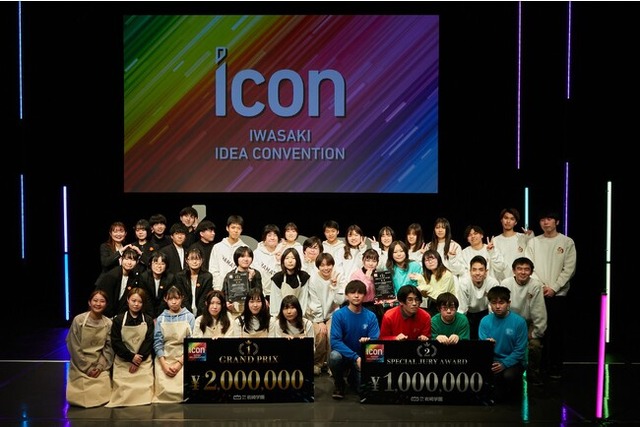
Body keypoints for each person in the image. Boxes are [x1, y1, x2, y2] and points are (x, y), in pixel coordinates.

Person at [525, 210, 576, 379]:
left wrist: (554, 288)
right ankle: (539, 368)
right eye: (542, 219)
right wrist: (541, 287)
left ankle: (555, 367)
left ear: (557, 222)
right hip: (538, 294)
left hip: (558, 295)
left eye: (549, 219)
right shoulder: (533, 242)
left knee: (556, 332)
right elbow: (529, 267)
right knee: (539, 332)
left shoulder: (566, 242)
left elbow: (569, 269)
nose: (545, 222)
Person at [329, 279, 380, 400]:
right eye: (352, 293)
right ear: (347, 295)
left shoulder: (371, 316)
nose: (356, 296)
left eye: (360, 293)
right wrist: (355, 357)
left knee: (365, 391)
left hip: (363, 358)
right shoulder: (338, 315)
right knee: (334, 356)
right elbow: (335, 341)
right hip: (345, 356)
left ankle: (353, 377)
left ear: (365, 295)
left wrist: (369, 342)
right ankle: (339, 383)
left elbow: (375, 340)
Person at [501, 257, 547, 385]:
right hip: (510, 322)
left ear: (531, 272)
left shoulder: (536, 285)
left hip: (528, 322)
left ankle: (533, 373)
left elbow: (539, 311)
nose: (523, 272)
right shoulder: (505, 283)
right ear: (514, 271)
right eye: (519, 269)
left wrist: (536, 332)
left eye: (526, 269)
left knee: (535, 345)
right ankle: (508, 370)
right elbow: (501, 306)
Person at [479, 286, 528, 404]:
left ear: (508, 303)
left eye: (501, 303)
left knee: (509, 376)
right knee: (496, 395)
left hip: (513, 362)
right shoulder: (485, 321)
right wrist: (487, 345)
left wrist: (504, 364)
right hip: (493, 361)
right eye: (494, 303)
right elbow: (482, 347)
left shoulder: (519, 322)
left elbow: (520, 350)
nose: (497, 306)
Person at [106, 287, 154, 407]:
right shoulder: (118, 320)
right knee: (122, 394)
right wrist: (131, 357)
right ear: (128, 300)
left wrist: (138, 359)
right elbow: (116, 342)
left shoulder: (148, 320)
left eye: (140, 302)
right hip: (124, 360)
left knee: (145, 394)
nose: (136, 304)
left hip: (143, 361)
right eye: (133, 301)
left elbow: (148, 341)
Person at [66, 290, 114, 408]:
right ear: (89, 302)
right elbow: (73, 345)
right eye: (95, 300)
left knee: (103, 395)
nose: (98, 304)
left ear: (106, 304)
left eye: (102, 301)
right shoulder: (79, 320)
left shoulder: (108, 323)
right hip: (80, 363)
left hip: (99, 363)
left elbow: (108, 348)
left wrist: (99, 366)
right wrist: (87, 367)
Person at [152, 285, 195, 403]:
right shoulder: (161, 318)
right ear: (165, 299)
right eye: (170, 299)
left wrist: (179, 363)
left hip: (184, 357)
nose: (174, 302)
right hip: (165, 357)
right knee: (163, 393)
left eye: (176, 298)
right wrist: (164, 365)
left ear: (182, 298)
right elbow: (157, 342)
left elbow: (192, 343)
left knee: (183, 392)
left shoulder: (190, 317)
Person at [457, 255, 499, 339]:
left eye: (481, 270)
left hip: (486, 313)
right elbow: (462, 309)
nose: (477, 273)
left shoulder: (493, 283)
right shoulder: (464, 283)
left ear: (486, 272)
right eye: (474, 270)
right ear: (470, 271)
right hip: (469, 314)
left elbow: (493, 309)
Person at [95, 247, 141, 318]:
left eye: (132, 260)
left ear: (137, 262)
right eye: (126, 259)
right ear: (121, 259)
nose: (129, 262)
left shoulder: (133, 277)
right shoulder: (112, 276)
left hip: (118, 316)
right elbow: (106, 299)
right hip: (103, 314)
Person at [493, 208, 534, 282]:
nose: (508, 221)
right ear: (501, 220)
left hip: (521, 280)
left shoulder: (522, 238)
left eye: (512, 219)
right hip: (502, 282)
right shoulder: (495, 240)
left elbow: (532, 255)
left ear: (515, 222)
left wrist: (530, 237)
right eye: (506, 218)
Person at [426, 217, 465, 294]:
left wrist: (452, 258)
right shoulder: (429, 246)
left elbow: (460, 270)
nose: (440, 230)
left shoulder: (454, 246)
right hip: (433, 282)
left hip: (450, 282)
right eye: (437, 227)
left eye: (443, 228)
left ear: (447, 229)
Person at [209, 214, 247, 290]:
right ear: (227, 228)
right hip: (220, 288)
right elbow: (213, 269)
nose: (236, 231)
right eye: (233, 227)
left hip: (239, 289)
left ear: (241, 230)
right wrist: (217, 288)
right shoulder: (217, 247)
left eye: (238, 228)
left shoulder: (245, 248)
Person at [269, 247, 311, 317]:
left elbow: (303, 299)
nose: (290, 261)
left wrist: (300, 316)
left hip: (299, 315)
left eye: (293, 258)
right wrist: (278, 317)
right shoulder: (277, 278)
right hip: (281, 316)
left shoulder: (303, 276)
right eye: (287, 258)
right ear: (283, 261)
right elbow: (275, 301)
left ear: (297, 260)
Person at [222, 245, 262, 317]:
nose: (246, 259)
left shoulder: (256, 273)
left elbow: (258, 293)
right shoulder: (230, 275)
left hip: (252, 311)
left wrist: (250, 279)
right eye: (242, 256)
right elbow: (225, 293)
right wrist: (227, 303)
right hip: (234, 311)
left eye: (249, 256)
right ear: (236, 258)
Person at [415, 249, 456, 315]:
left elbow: (442, 297)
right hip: (432, 304)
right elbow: (425, 295)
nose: (430, 262)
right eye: (427, 260)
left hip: (446, 306)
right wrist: (420, 280)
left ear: (438, 260)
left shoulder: (447, 274)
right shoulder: (428, 275)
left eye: (433, 259)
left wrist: (427, 288)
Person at [175, 246, 213, 317]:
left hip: (202, 312)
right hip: (184, 311)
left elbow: (203, 298)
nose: (195, 262)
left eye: (197, 259)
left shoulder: (207, 276)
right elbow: (183, 297)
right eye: (192, 259)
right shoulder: (180, 276)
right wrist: (189, 315)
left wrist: (199, 316)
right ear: (187, 260)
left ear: (202, 260)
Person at [349, 248, 383, 323]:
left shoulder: (378, 274)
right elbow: (359, 293)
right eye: (368, 260)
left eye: (374, 261)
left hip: (376, 306)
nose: (371, 264)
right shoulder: (356, 274)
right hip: (361, 306)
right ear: (363, 261)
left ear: (377, 263)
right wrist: (367, 279)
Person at [138, 251, 175, 318]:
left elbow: (165, 299)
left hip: (165, 312)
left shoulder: (170, 278)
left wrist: (159, 317)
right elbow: (147, 298)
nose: (159, 266)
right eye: (156, 263)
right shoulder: (144, 277)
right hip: (147, 312)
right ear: (150, 264)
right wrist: (152, 317)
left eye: (162, 264)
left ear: (166, 266)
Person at [251, 224, 282, 301]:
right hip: (261, 295)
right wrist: (261, 295)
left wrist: (279, 261)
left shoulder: (283, 253)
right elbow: (255, 277)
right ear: (264, 238)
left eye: (275, 235)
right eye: (269, 235)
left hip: (279, 294)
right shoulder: (256, 254)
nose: (272, 238)